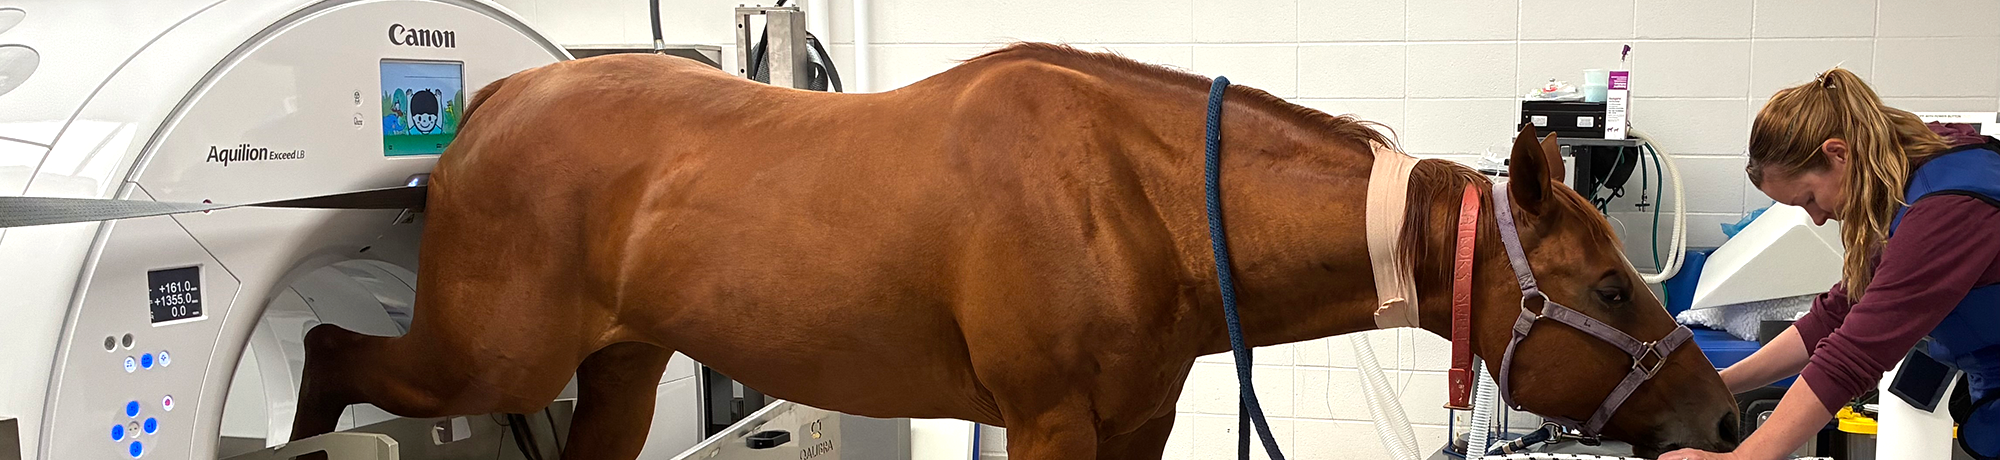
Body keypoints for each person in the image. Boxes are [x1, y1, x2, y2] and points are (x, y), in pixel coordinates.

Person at [1664, 69, 2000, 460]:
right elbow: (1835, 315)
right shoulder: (1911, 171)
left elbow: (1852, 356)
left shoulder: (1945, 210)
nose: (1819, 217)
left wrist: (1743, 458)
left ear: (1837, 154)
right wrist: (1716, 385)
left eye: (1809, 197)